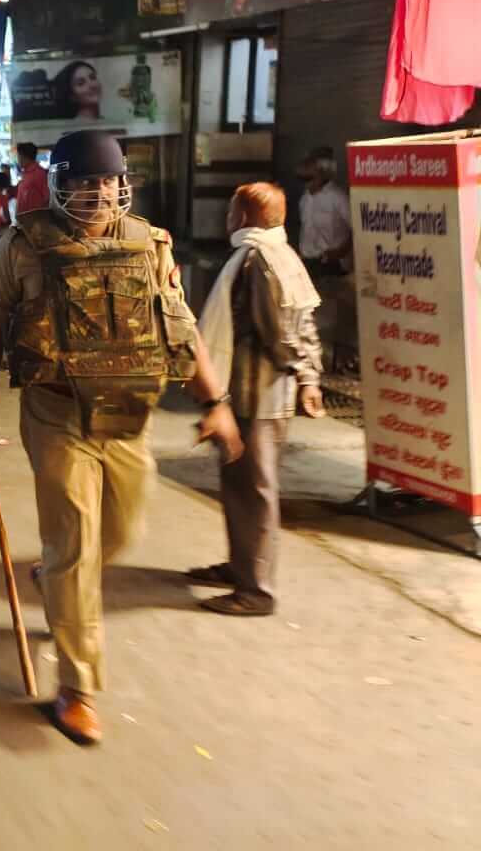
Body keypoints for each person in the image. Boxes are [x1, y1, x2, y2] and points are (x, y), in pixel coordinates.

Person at [0, 130, 239, 747]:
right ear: (61, 185)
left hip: (127, 414)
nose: (98, 194)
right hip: (56, 412)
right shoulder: (23, 245)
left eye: (108, 182)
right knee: (76, 544)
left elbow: (181, 326)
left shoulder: (149, 245)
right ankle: (78, 685)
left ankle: (58, 579)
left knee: (119, 532)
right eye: (85, 182)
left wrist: (216, 402)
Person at [187, 182, 323, 617]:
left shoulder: (259, 259)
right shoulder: (277, 253)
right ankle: (240, 567)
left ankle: (256, 591)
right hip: (250, 394)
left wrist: (303, 373)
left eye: (232, 212)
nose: (228, 219)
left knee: (254, 490)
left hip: (256, 396)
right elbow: (304, 323)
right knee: (240, 487)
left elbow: (281, 333)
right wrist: (308, 374)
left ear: (245, 217)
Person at [297, 146, 351, 276]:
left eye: (309, 178)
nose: (306, 183)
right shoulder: (305, 199)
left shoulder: (338, 198)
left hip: (331, 264)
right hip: (307, 262)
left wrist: (341, 251)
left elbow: (357, 231)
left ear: (322, 173)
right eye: (302, 179)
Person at [15, 142, 49, 215]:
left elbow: (47, 198)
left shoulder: (39, 173)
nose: (17, 159)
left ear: (23, 157)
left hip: (33, 221)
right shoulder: (25, 173)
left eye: (18, 156)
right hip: (23, 220)